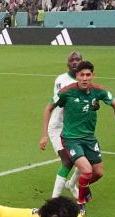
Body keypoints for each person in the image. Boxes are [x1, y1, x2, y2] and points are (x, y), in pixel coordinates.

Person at [39, 61, 115, 207]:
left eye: (88, 75)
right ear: (77, 76)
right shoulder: (66, 92)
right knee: (84, 169)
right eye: (82, 75)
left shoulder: (99, 91)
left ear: (93, 76)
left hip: (89, 139)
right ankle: (80, 204)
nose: (85, 78)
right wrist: (44, 135)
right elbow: (48, 108)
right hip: (71, 138)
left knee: (98, 173)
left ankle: (81, 186)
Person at [45, 51, 82, 199]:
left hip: (75, 126)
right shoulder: (61, 80)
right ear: (68, 64)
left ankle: (71, 184)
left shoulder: (84, 80)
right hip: (58, 125)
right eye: (72, 60)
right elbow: (61, 100)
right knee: (67, 160)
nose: (74, 62)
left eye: (77, 59)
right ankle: (55, 200)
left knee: (84, 158)